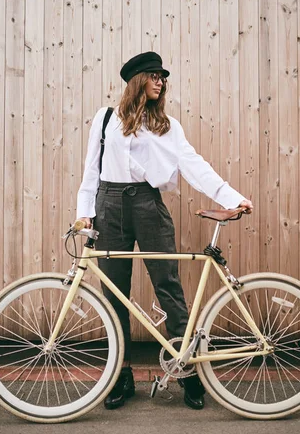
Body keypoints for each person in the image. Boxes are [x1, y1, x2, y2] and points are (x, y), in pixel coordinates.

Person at [75, 51, 253, 411]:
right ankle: (120, 376)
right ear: (136, 80)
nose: (160, 81)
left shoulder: (168, 126)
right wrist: (85, 213)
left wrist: (233, 197)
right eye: (154, 75)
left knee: (169, 287)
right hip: (109, 205)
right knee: (113, 293)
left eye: (162, 77)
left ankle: (186, 369)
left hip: (147, 205)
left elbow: (195, 167)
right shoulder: (105, 118)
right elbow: (90, 170)